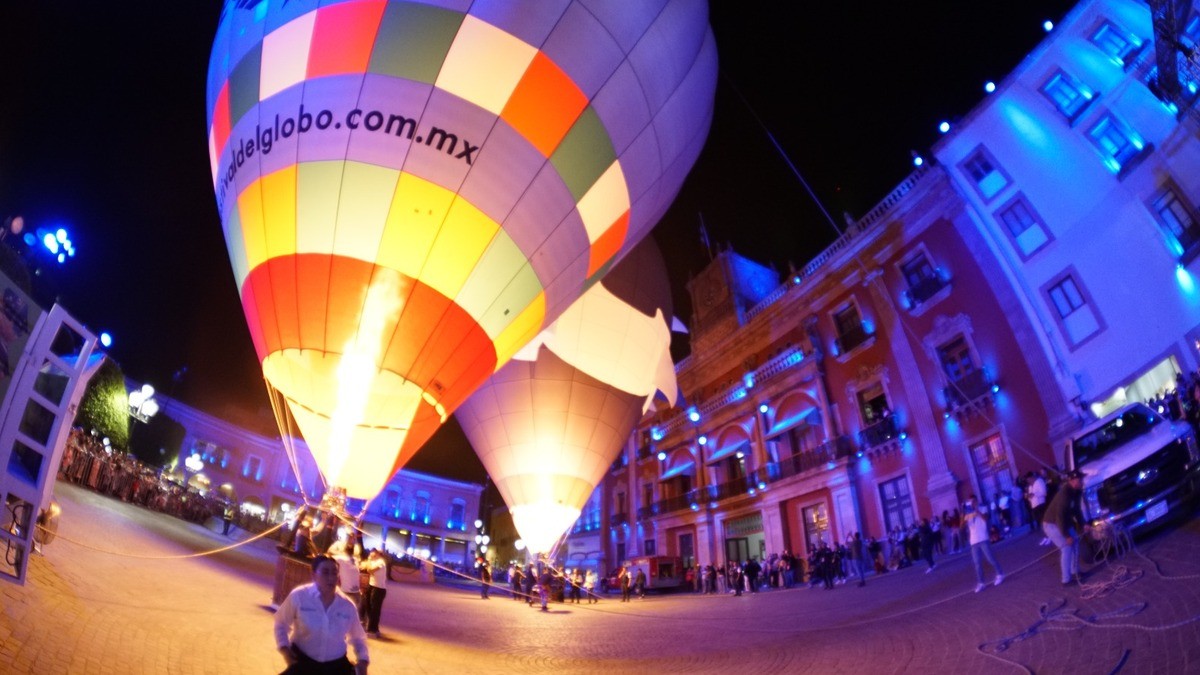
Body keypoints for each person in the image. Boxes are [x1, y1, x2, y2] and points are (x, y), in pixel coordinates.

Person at [274, 554, 369, 675]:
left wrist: (363, 660)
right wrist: (284, 648)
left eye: (334, 573)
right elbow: (281, 623)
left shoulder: (347, 605)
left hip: (335, 665)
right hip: (303, 661)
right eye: (325, 572)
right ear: (314, 575)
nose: (331, 577)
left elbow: (358, 637)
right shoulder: (300, 596)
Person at [1043, 470, 1086, 586]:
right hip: (1052, 524)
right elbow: (1059, 517)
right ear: (1072, 481)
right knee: (1066, 547)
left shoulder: (1077, 491)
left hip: (1064, 522)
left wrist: (1083, 524)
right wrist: (1066, 536)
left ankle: (1075, 571)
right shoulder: (1064, 494)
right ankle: (1066, 580)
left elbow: (1077, 510)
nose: (1082, 482)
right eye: (1079, 480)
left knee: (1075, 542)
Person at [963, 495, 1003, 593]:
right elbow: (962, 525)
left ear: (976, 501)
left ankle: (1000, 574)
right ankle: (981, 583)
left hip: (983, 538)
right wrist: (964, 514)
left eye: (973, 501)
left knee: (990, 558)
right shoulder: (967, 512)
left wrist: (977, 511)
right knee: (977, 563)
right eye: (969, 502)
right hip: (973, 541)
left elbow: (986, 518)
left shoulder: (982, 508)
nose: (971, 503)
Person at [360, 549, 388, 638]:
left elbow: (370, 570)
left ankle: (372, 630)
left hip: (379, 588)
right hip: (372, 586)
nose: (372, 554)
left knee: (375, 610)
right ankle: (374, 628)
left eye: (374, 553)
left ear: (378, 554)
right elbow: (362, 567)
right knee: (368, 607)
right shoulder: (374, 562)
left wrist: (368, 560)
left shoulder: (381, 562)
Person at [329, 541, 362, 616]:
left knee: (341, 616)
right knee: (351, 617)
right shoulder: (355, 559)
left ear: (344, 550)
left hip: (347, 593)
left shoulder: (341, 558)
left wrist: (339, 551)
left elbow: (329, 552)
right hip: (357, 593)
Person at [1026, 470, 1049, 545]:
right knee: (1040, 522)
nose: (1028, 481)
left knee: (1045, 521)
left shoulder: (1039, 481)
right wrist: (1029, 497)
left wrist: (1034, 494)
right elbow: (1030, 498)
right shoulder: (1030, 487)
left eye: (1029, 479)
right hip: (1034, 506)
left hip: (1041, 504)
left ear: (1032, 477)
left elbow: (1044, 492)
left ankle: (1049, 536)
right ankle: (1045, 536)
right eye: (1027, 480)